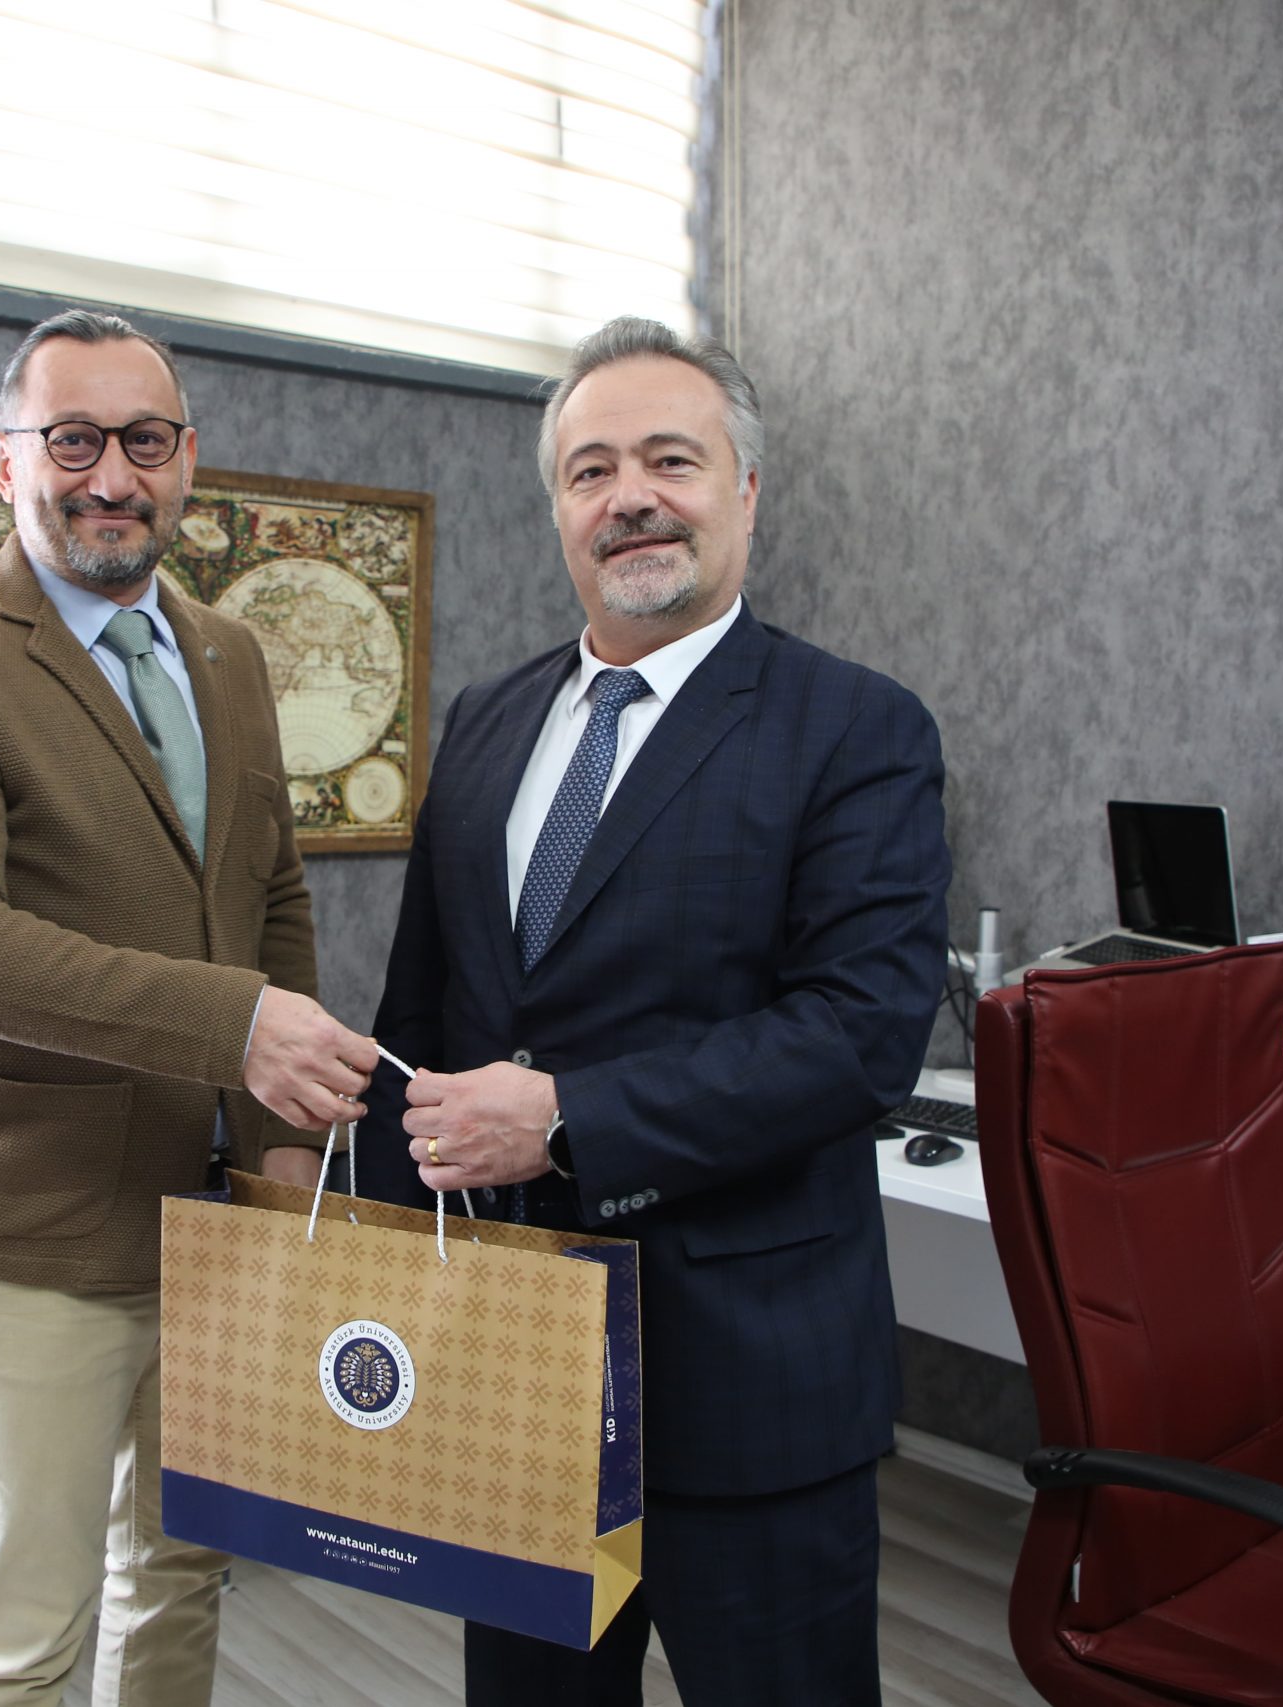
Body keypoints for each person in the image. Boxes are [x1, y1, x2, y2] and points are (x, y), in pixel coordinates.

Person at [356, 316, 951, 1704]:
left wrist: (569, 1117)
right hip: (510, 1370)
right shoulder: (487, 721)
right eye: (592, 470)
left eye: (671, 461)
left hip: (747, 1382)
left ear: (746, 490)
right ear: (560, 510)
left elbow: (861, 1036)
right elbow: (422, 1013)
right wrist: (382, 1275)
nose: (630, 496)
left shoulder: (856, 728)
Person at [0, 309, 378, 1707]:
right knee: (28, 1634)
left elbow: (270, 899)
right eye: (71, 441)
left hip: (220, 1222)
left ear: (187, 458)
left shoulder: (229, 656)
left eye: (144, 440)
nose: (112, 477)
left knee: (183, 1575)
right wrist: (233, 1024)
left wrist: (285, 1140)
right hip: (42, 1229)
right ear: (5, 461)